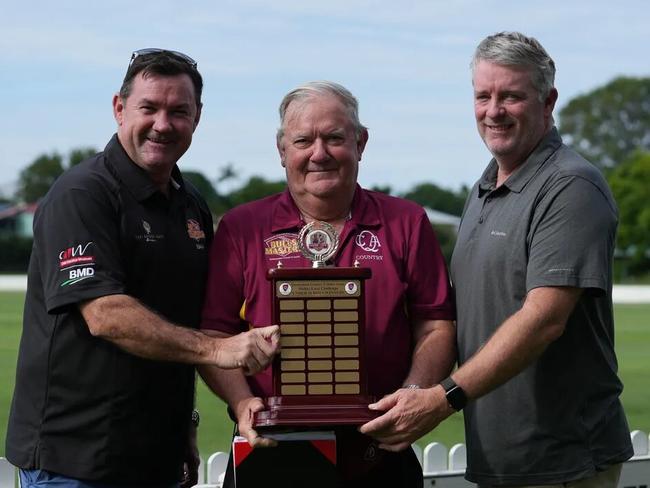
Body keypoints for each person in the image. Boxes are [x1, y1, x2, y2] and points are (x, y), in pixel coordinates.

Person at [361, 31, 634, 487]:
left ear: (548, 102)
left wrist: (441, 397)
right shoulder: (485, 188)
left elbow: (544, 318)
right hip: (503, 459)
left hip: (564, 460)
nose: (493, 111)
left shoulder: (571, 187)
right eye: (483, 95)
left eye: (511, 96)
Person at [5, 48, 279, 488]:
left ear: (198, 117)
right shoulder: (81, 193)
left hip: (157, 457)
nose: (163, 124)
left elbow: (184, 319)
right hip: (75, 461)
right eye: (148, 108)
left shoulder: (191, 204)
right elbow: (105, 314)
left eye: (179, 111)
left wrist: (186, 420)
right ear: (119, 108)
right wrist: (217, 350)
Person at [198, 80, 456, 487]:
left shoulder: (406, 221)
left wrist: (412, 393)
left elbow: (436, 323)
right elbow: (215, 333)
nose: (319, 154)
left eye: (334, 138)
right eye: (303, 140)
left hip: (379, 446)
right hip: (271, 445)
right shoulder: (241, 227)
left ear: (360, 143)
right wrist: (241, 399)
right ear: (283, 151)